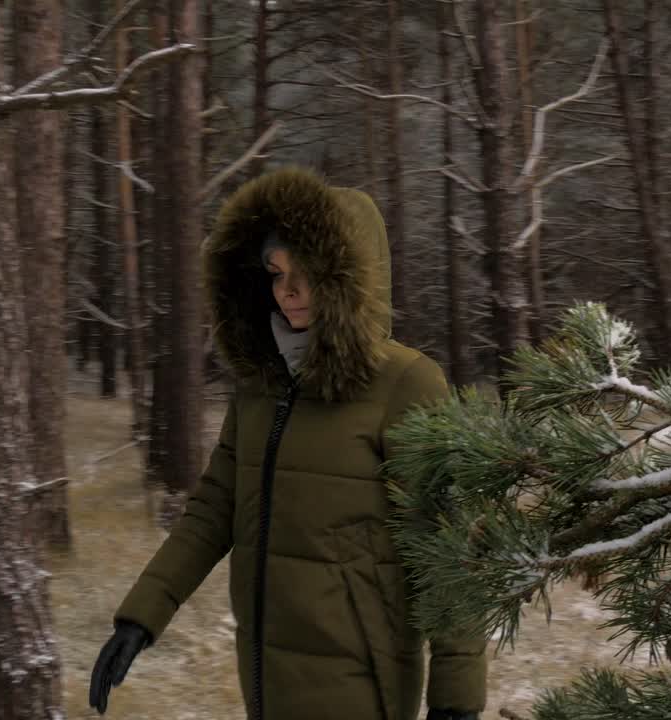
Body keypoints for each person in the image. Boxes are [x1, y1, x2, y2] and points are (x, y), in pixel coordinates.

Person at [89, 166, 488, 719]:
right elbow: (213, 510)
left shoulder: (406, 383)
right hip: (265, 671)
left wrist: (458, 700)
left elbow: (449, 548)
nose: (288, 291)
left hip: (360, 678)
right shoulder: (263, 383)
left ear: (351, 279)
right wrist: (143, 615)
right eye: (276, 274)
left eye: (308, 274)